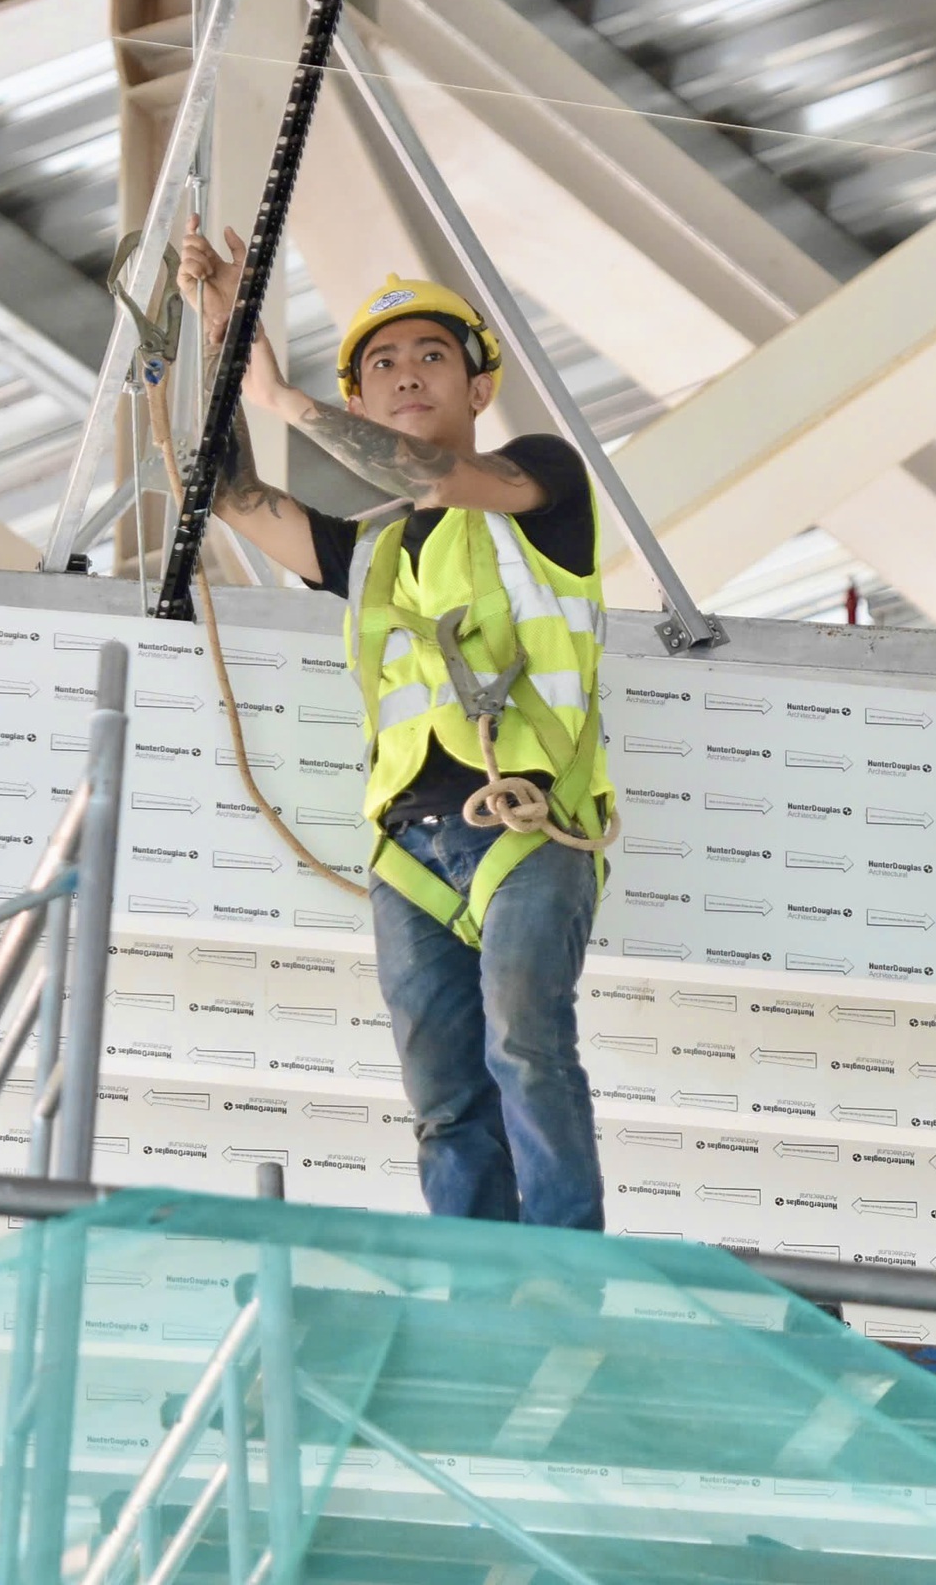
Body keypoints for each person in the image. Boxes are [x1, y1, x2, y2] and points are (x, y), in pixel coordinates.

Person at [179, 220, 610, 1232]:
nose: (405, 373)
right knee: (445, 1103)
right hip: (410, 851)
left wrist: (285, 399)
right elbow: (233, 491)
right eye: (381, 364)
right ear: (362, 398)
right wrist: (224, 326)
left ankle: (566, 1275)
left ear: (477, 388)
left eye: (430, 356)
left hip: (526, 826)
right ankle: (474, 1289)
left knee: (524, 1044)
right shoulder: (366, 554)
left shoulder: (538, 485)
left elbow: (429, 476)